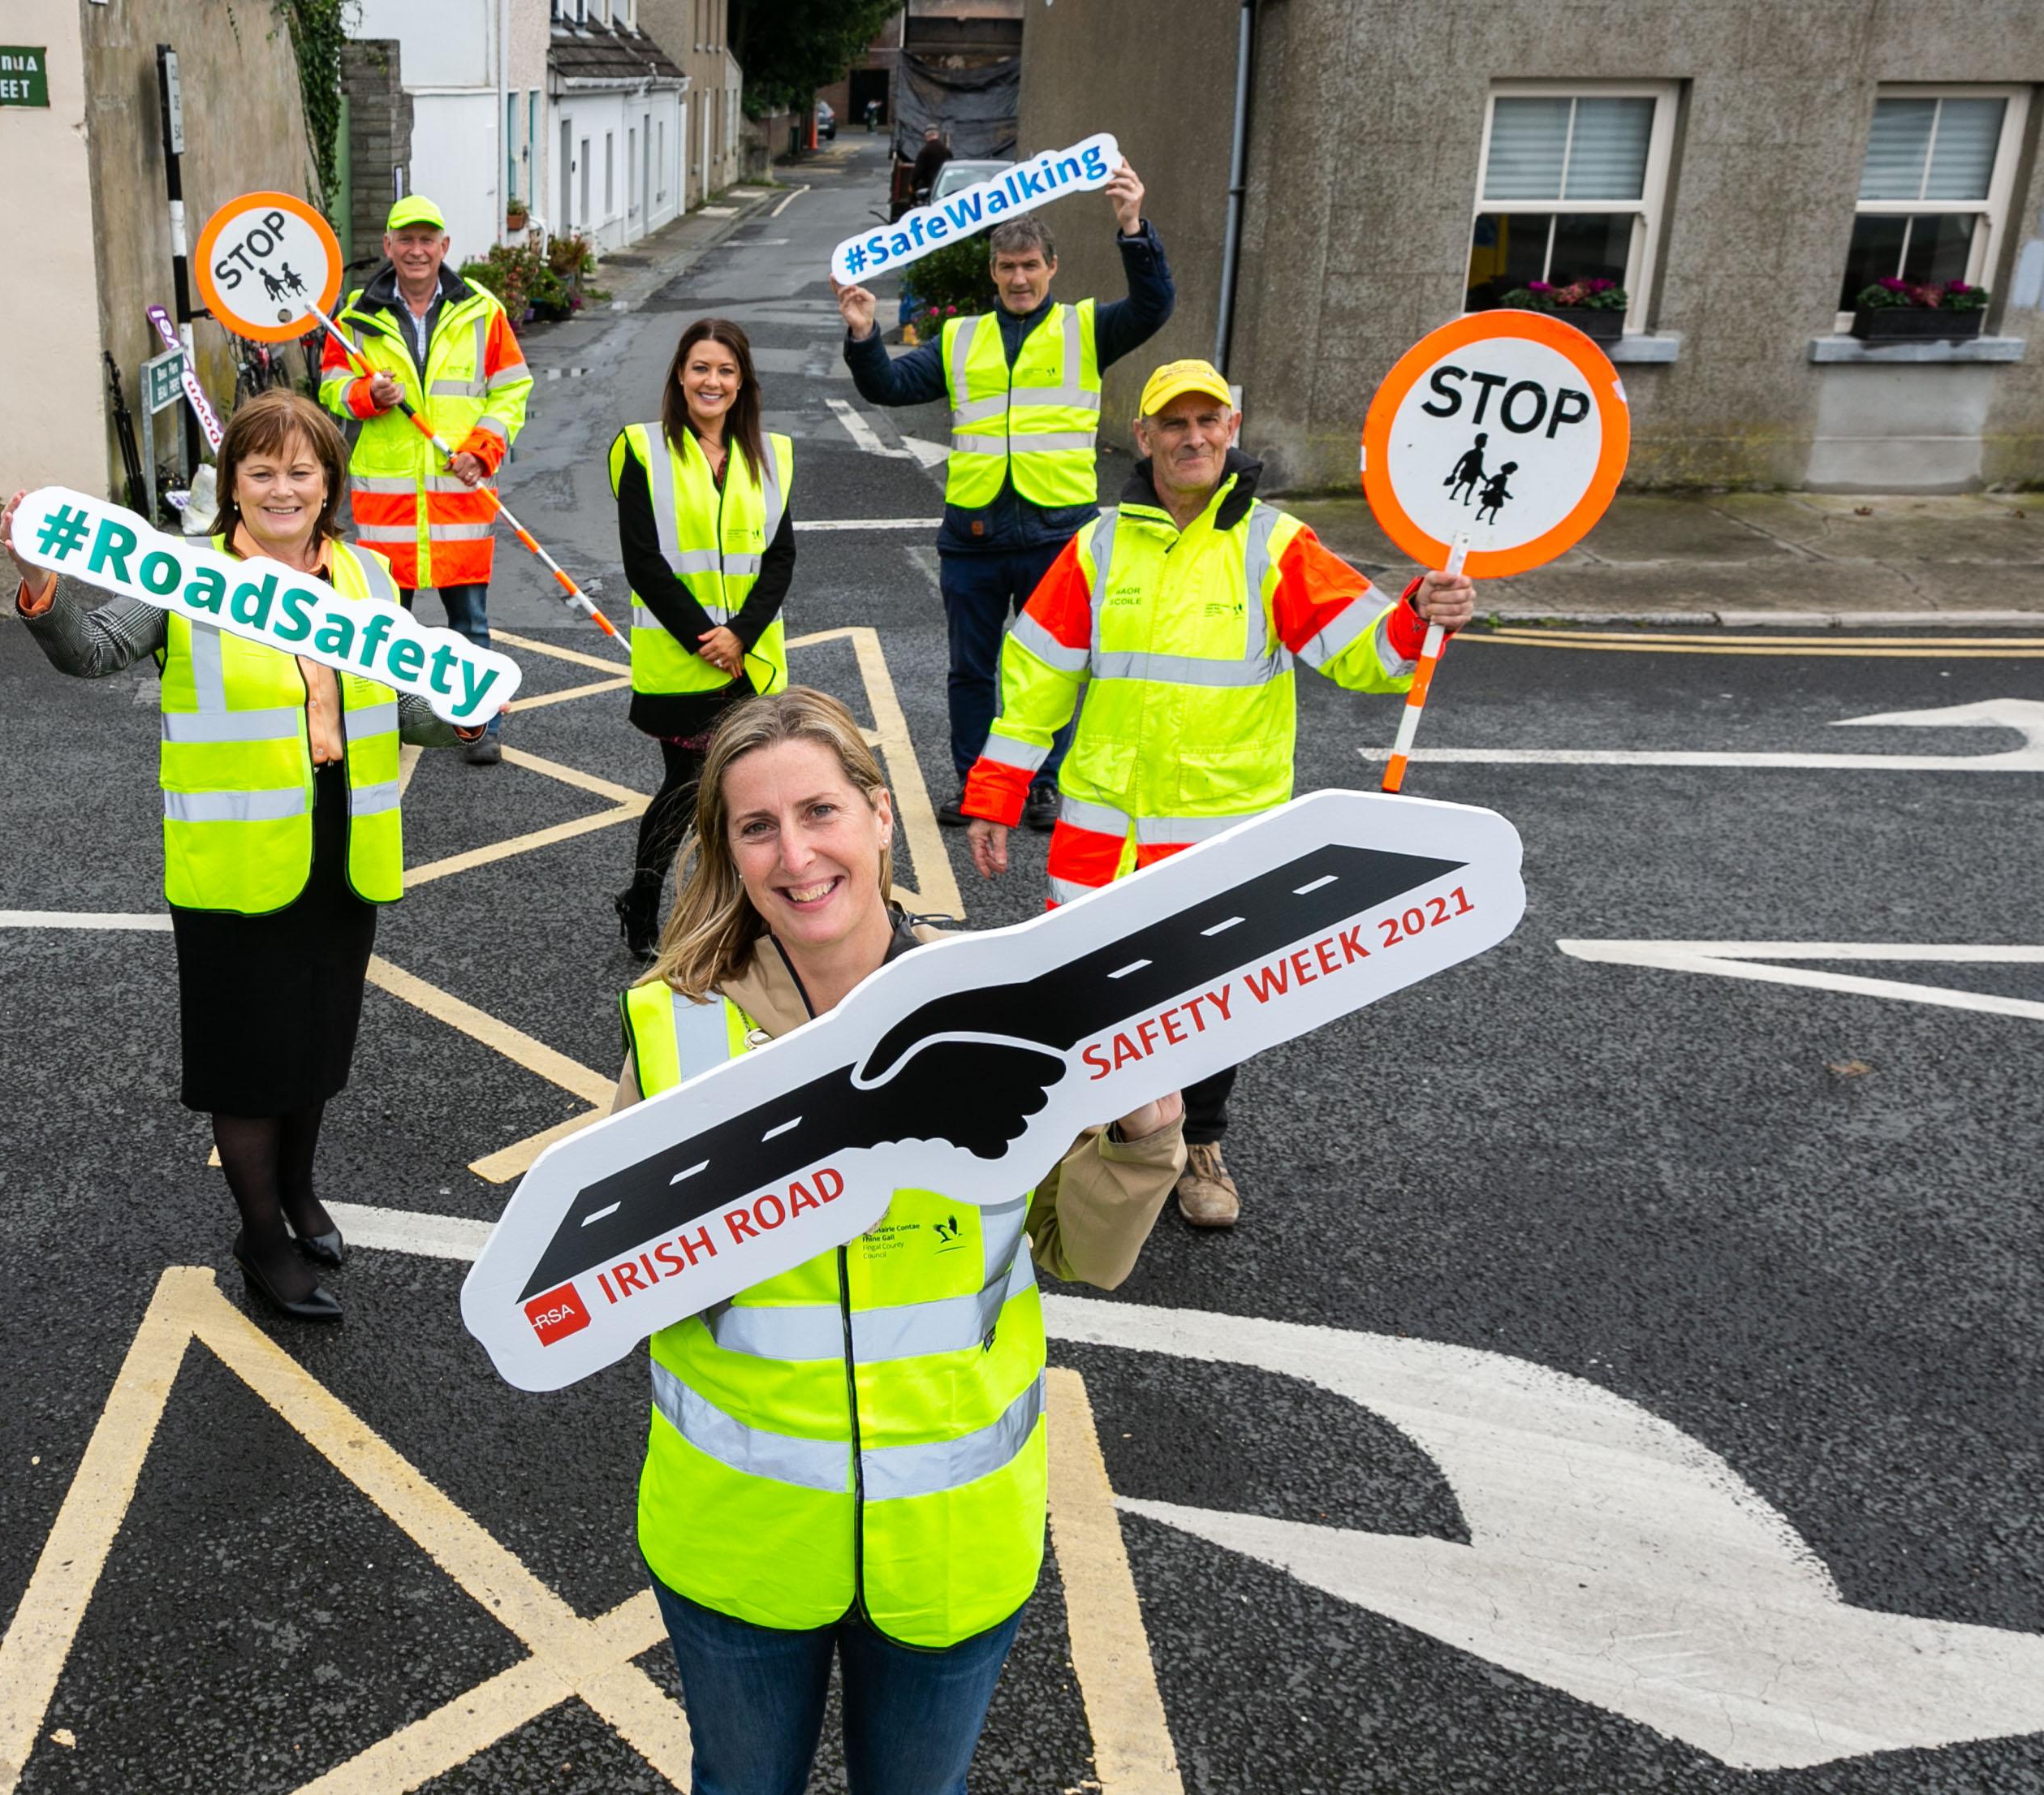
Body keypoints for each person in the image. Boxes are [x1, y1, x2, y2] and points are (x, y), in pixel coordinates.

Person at [614, 687, 1188, 1795]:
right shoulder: (673, 1028)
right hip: (740, 1540)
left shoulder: (1003, 1012)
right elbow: (626, 1286)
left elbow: (1087, 1252)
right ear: (729, 852)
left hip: (954, 1539)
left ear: (880, 815)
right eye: (758, 825)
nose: (797, 852)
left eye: (821, 809)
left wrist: (1145, 1132)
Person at [959, 359, 1476, 1229]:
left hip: (1218, 833)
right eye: (1175, 423)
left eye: (1209, 422)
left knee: (1208, 1008)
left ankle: (1200, 1140)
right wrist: (997, 793)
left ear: (1231, 432)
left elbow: (1365, 649)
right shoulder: (1099, 546)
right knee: (1090, 993)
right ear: (1145, 437)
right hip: (1101, 828)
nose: (1192, 437)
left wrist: (1421, 610)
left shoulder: (1275, 545)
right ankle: (1097, 1138)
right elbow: (1036, 673)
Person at [0, 390, 453, 1323]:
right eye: (261, 471)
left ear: (329, 481)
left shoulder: (367, 577)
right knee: (250, 1059)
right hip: (235, 860)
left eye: (301, 469)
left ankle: (298, 1191)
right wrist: (44, 587)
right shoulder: (188, 578)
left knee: (318, 1041)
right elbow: (89, 653)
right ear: (231, 486)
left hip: (343, 843)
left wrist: (464, 715)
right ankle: (261, 1237)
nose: (282, 488)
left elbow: (403, 704)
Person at [833, 163, 1174, 836]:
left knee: (1052, 667)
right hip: (974, 537)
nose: (1019, 279)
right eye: (1007, 267)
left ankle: (1043, 784)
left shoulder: (1085, 329)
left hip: (1057, 534)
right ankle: (978, 784)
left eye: (1031, 266)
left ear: (1052, 267)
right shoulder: (961, 339)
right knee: (971, 670)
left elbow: (1153, 306)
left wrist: (1133, 228)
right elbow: (889, 389)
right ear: (992, 273)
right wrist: (865, 335)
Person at [320, 195, 535, 766]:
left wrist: (483, 449)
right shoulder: (355, 319)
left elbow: (512, 389)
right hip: (386, 507)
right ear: (388, 247)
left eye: (427, 239)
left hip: (458, 497)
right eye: (405, 239)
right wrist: (367, 396)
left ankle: (478, 724)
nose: (417, 250)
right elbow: (330, 388)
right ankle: (387, 722)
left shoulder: (482, 313)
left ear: (444, 247)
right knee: (386, 628)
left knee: (469, 626)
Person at [606, 317, 796, 960]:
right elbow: (644, 561)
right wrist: (703, 638)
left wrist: (740, 636)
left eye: (725, 371)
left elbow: (780, 560)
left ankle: (741, 917)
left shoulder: (770, 456)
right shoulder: (643, 449)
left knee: (750, 793)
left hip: (751, 664)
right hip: (683, 665)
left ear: (742, 384)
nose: (711, 381)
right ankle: (644, 901)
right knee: (688, 790)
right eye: (700, 368)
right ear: (680, 377)